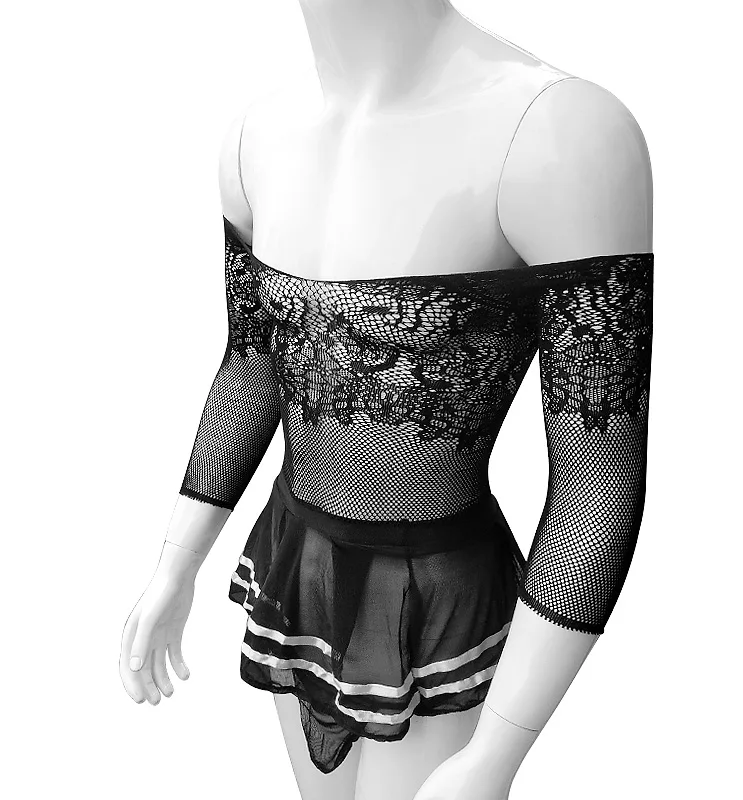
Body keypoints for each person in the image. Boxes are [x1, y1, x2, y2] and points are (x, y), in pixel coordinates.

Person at [119, 2, 653, 798]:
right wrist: (175, 565)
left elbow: (597, 480)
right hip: (295, 567)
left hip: (433, 595)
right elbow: (254, 363)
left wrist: (496, 755)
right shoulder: (253, 136)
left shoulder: (560, 132)